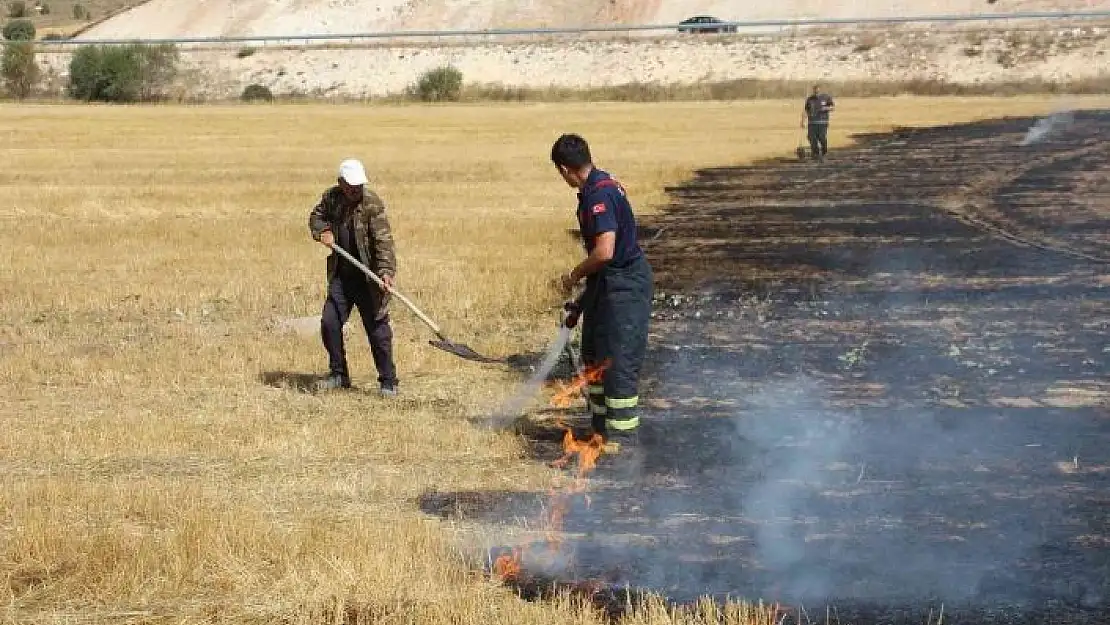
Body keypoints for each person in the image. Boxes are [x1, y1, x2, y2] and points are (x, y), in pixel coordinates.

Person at [551, 134, 654, 444]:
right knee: (594, 356)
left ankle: (623, 446)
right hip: (607, 285)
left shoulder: (598, 195)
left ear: (564, 169)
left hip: (625, 286)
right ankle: (599, 435)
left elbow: (605, 251)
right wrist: (581, 303)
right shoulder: (601, 182)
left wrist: (572, 277)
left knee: (617, 364)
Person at [308, 158, 399, 396]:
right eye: (351, 186)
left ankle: (388, 382)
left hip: (369, 279)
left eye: (359, 186)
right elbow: (315, 218)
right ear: (341, 183)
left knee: (378, 330)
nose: (355, 190)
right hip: (342, 275)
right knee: (329, 322)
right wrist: (323, 231)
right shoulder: (331, 198)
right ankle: (339, 374)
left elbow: (383, 242)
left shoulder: (372, 204)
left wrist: (386, 273)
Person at [802, 84, 835, 161]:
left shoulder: (826, 97)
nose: (817, 92)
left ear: (820, 90)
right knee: (811, 138)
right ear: (813, 91)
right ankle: (815, 154)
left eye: (818, 91)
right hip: (812, 123)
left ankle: (824, 153)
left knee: (822, 137)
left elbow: (832, 107)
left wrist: (826, 108)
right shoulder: (810, 99)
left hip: (822, 122)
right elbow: (806, 111)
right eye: (815, 91)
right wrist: (803, 121)